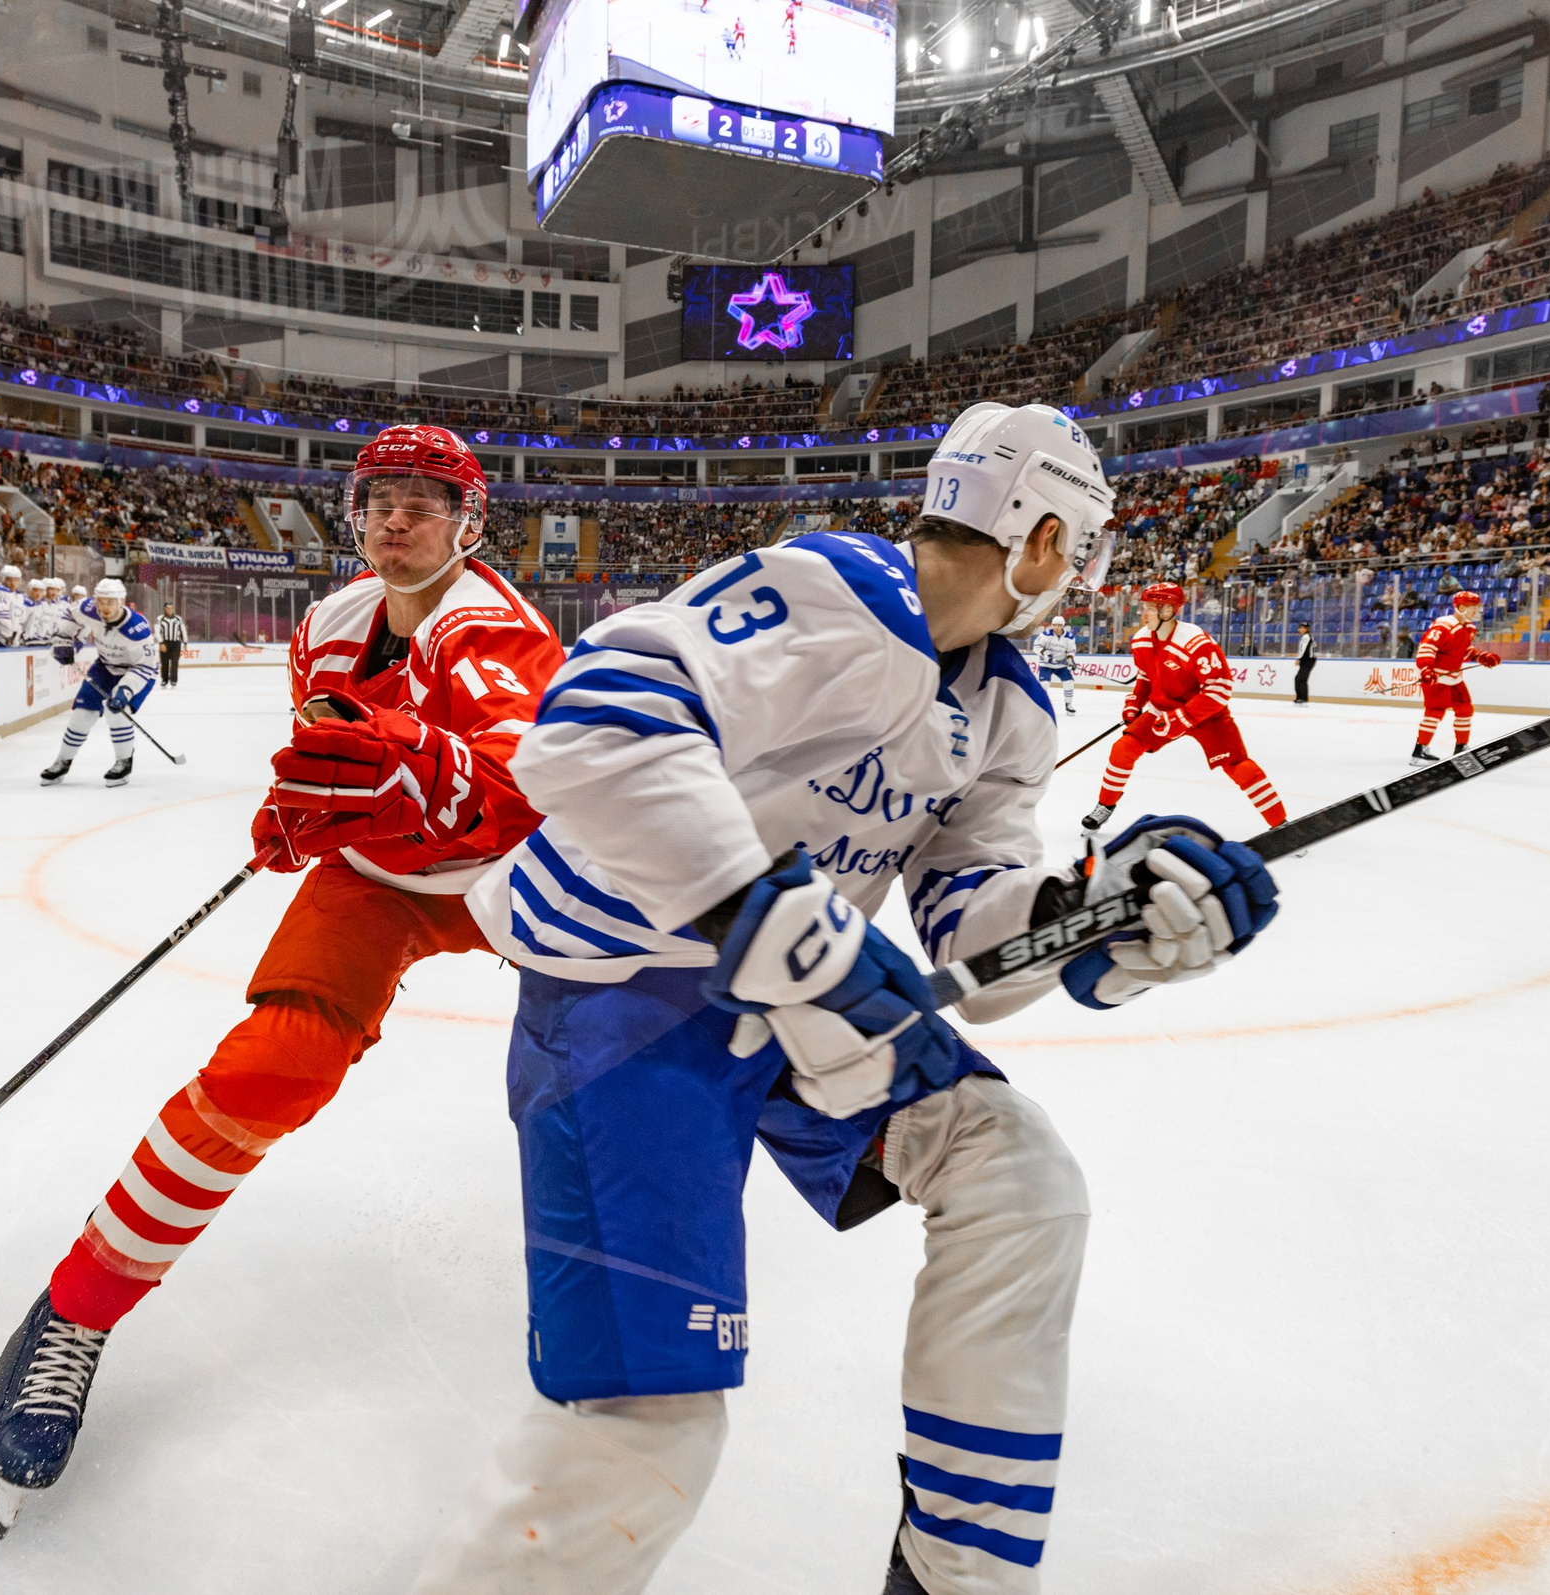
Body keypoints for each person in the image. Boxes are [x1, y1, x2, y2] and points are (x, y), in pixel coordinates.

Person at [414, 401, 1281, 1594]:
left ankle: (955, 1580)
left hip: (797, 994)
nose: (1077, 578)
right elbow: (597, 720)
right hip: (628, 992)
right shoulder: (834, 587)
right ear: (1041, 537)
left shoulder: (1009, 707)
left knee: (1017, 1179)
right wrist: (765, 913)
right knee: (643, 1435)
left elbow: (970, 920)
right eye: (1077, 549)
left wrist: (1094, 919)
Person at [0, 426, 563, 1533]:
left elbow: (517, 785)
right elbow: (331, 760)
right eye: (380, 499)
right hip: (383, 879)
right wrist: (306, 814)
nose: (397, 518)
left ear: (469, 523)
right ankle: (73, 1313)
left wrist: (410, 774)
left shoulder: (493, 629)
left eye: (425, 501)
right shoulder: (329, 625)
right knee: (271, 1067)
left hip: (522, 878)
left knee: (630, 1052)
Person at [1084, 580, 1286, 831]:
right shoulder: (1141, 640)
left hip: (1206, 715)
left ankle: (1281, 825)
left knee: (1239, 767)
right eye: (1144, 607)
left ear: (1168, 610)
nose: (1143, 614)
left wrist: (1183, 717)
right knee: (1123, 749)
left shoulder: (1195, 641)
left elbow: (1219, 687)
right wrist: (1135, 703)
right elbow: (1146, 677)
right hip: (1162, 711)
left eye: (1149, 608)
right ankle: (1105, 805)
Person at [38, 579, 158, 786]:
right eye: (100, 601)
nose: (103, 607)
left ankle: (124, 762)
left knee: (117, 713)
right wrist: (63, 639)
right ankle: (63, 761)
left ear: (121, 602)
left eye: (109, 602)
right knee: (81, 715)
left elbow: (144, 667)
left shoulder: (137, 629)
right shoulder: (89, 608)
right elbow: (70, 614)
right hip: (105, 667)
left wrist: (125, 691)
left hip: (137, 673)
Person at [1412, 591, 1500, 760]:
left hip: (1454, 677)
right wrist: (1426, 670)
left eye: (1477, 607)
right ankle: (1419, 751)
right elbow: (1427, 648)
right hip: (1436, 676)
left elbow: (1462, 651)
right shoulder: (1444, 625)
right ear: (1460, 607)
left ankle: (1461, 747)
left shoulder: (1469, 628)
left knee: (1465, 708)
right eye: (1472, 607)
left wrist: (1480, 657)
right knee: (1435, 711)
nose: (1476, 611)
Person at [1032, 618, 1077, 713]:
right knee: (1044, 684)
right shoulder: (1046, 635)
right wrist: (1045, 653)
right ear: (1052, 625)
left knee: (1069, 682)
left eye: (1059, 625)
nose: (1056, 627)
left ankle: (1068, 704)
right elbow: (1036, 646)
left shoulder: (1069, 637)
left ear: (1063, 626)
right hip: (1046, 664)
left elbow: (1071, 650)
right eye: (1055, 625)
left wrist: (1070, 660)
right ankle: (1039, 704)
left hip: (1061, 665)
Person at [155, 601, 188, 685]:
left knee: (175, 661)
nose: (169, 610)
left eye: (171, 608)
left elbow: (183, 630)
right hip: (165, 642)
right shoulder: (160, 618)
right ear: (165, 609)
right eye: (168, 608)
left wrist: (185, 642)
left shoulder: (178, 619)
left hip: (176, 643)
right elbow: (157, 631)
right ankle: (164, 680)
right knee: (164, 662)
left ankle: (174, 680)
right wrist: (161, 643)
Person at [1293, 622, 1317, 705]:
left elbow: (1304, 649)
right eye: (1301, 628)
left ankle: (1302, 698)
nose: (1302, 629)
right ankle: (1300, 697)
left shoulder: (1306, 637)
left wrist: (1299, 658)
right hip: (1307, 660)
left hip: (1307, 660)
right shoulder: (1307, 637)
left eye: (1304, 628)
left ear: (1307, 629)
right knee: (1298, 678)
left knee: (1302, 679)